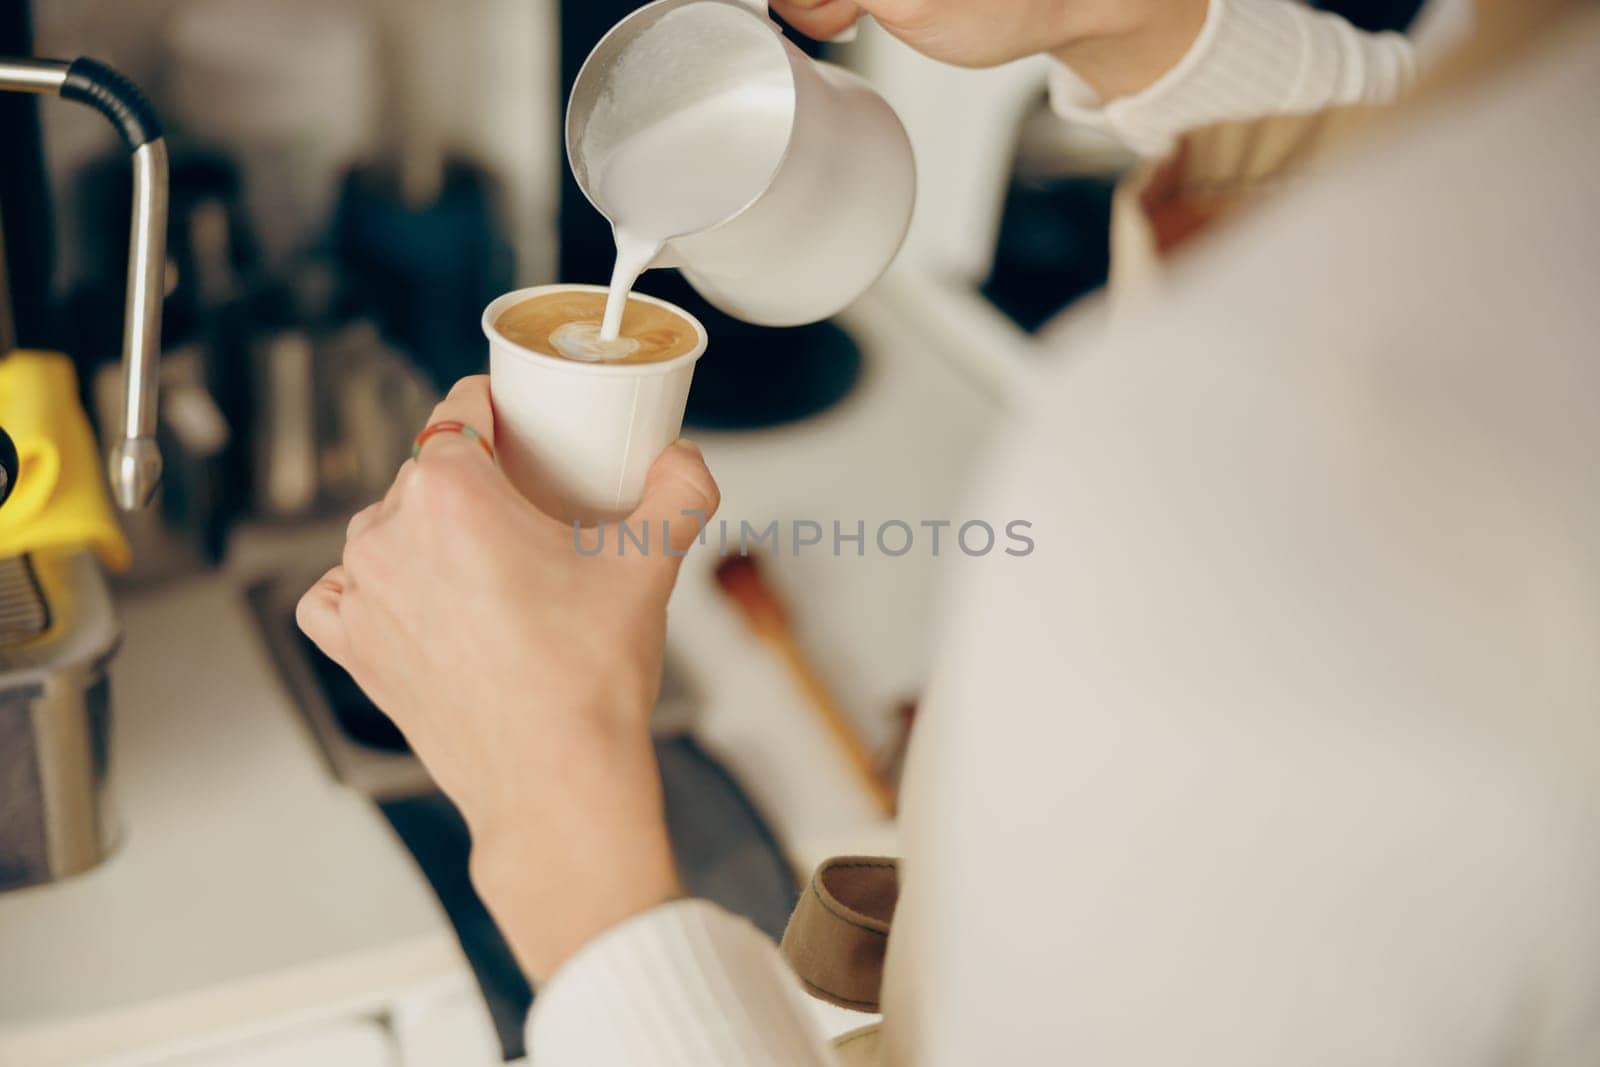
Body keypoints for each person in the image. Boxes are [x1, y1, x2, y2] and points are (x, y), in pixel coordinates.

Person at [297, 0, 1600, 1061]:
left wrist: (555, 816)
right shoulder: (1538, 113)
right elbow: (1418, 159)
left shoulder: (1303, 452)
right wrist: (1125, 20)